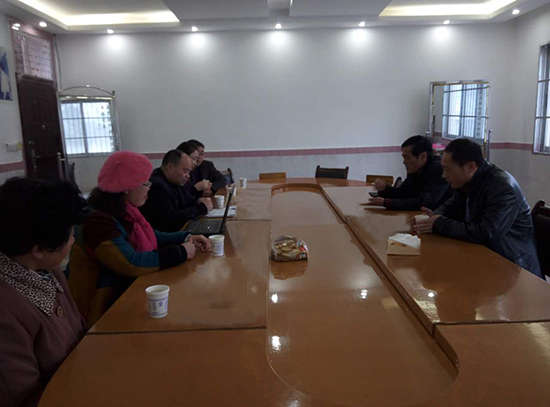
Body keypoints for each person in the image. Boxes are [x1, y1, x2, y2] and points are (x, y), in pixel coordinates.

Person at [68, 151, 211, 324]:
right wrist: (181, 252)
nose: (149, 188)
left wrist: (186, 236)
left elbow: (152, 235)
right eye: (145, 183)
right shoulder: (99, 222)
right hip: (101, 309)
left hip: (125, 293)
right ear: (126, 186)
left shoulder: (125, 209)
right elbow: (131, 262)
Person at [0, 177, 87, 407]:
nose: (73, 240)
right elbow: (22, 398)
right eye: (70, 235)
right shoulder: (6, 309)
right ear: (38, 249)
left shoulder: (48, 270)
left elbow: (79, 331)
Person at [414, 138, 542, 278]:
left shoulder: (503, 187)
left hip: (514, 268)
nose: (444, 175)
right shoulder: (467, 181)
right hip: (485, 258)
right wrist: (433, 217)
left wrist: (439, 223)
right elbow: (451, 207)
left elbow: (486, 233)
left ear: (470, 167)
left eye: (447, 169)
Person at [368, 135, 450, 210]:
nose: (404, 162)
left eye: (407, 157)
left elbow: (425, 203)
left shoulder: (438, 169)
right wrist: (384, 188)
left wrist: (386, 202)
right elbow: (403, 192)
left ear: (423, 156)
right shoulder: (416, 168)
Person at [140, 149, 214, 232]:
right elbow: (171, 219)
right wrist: (202, 208)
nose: (188, 176)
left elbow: (185, 201)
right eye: (185, 171)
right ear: (170, 167)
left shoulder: (173, 180)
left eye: (189, 172)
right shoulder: (157, 186)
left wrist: (198, 201)